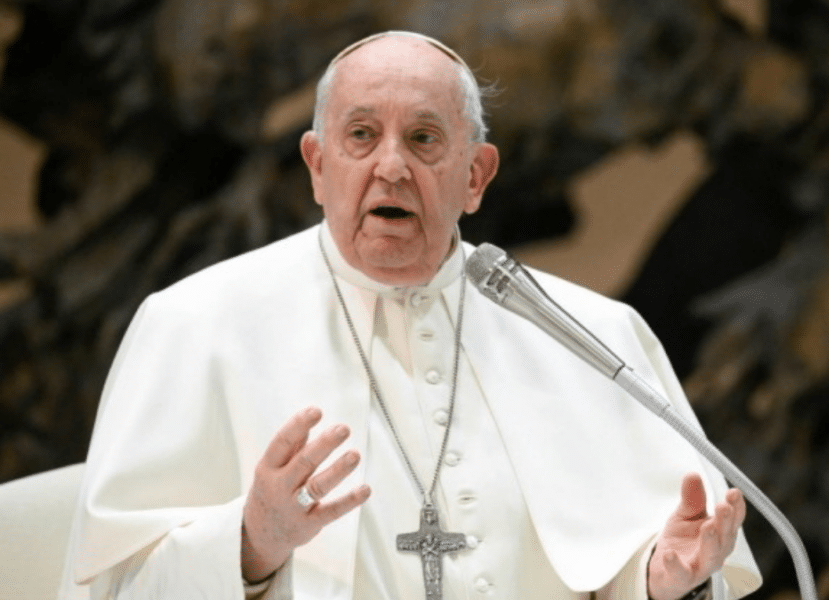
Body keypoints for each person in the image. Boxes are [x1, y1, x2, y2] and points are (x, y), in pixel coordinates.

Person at [59, 31, 762, 600]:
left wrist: (659, 583)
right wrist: (249, 542)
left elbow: (640, 561)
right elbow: (118, 589)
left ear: (476, 175)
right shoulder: (193, 326)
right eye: (360, 135)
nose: (391, 166)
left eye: (424, 139)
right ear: (316, 166)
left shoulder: (591, 336)